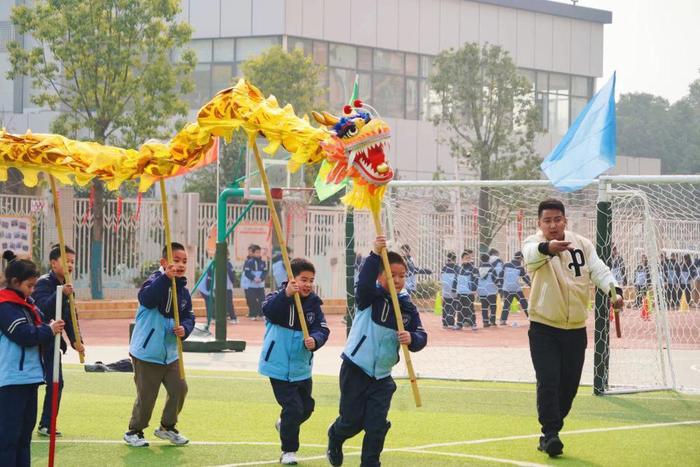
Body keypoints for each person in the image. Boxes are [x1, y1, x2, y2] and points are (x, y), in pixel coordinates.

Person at [523, 199, 623, 458]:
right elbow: (530, 256)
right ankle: (552, 433)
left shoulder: (582, 244)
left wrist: (615, 292)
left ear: (565, 220)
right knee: (548, 380)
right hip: (543, 327)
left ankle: (551, 430)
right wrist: (548, 248)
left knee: (569, 386)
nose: (553, 225)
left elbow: (600, 271)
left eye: (557, 219)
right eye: (547, 221)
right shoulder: (534, 244)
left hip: (576, 329)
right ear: (539, 224)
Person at [327, 236, 427, 467]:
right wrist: (374, 254)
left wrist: (412, 338)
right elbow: (362, 283)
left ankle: (370, 463)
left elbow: (421, 336)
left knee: (376, 424)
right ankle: (336, 435)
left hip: (382, 377)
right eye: (392, 275)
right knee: (351, 422)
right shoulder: (369, 298)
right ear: (380, 276)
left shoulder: (407, 308)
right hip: (355, 369)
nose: (398, 280)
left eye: (402, 275)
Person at [124, 242, 196, 448]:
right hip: (148, 353)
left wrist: (185, 328)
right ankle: (134, 430)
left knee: (179, 389)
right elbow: (147, 299)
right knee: (147, 396)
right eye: (176, 260)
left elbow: (189, 316)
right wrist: (166, 278)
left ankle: (167, 427)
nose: (180, 265)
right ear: (164, 263)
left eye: (184, 261)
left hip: (171, 353)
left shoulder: (183, 291)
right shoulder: (154, 282)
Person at [259, 258, 330, 465]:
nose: (308, 284)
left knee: (306, 407)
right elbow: (269, 311)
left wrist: (315, 340)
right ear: (292, 279)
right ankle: (288, 451)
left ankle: (284, 423)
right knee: (293, 408)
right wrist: (287, 294)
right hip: (278, 367)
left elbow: (323, 329)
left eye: (311, 280)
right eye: (303, 279)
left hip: (302, 368)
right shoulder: (276, 298)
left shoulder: (314, 304)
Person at [0, 250, 64, 467]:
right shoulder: (5, 306)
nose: (33, 290)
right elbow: (24, 335)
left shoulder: (28, 304)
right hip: (11, 380)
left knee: (24, 438)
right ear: (15, 282)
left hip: (29, 378)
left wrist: (55, 334)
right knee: (8, 438)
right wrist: (49, 330)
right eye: (29, 286)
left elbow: (40, 326)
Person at [32, 245, 85, 436]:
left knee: (56, 382)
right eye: (66, 260)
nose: (70, 264)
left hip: (54, 343)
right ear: (53, 263)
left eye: (72, 261)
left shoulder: (67, 287)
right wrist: (60, 292)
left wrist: (76, 340)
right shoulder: (44, 283)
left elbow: (70, 316)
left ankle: (46, 424)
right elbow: (42, 309)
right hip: (38, 340)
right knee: (33, 382)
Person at [500, 251, 531, 325]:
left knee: (506, 304)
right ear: (520, 258)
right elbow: (525, 278)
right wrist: (531, 285)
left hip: (507, 288)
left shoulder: (506, 264)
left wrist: (502, 286)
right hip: (516, 288)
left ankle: (503, 320)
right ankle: (531, 319)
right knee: (524, 303)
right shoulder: (520, 267)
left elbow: (500, 275)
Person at [242, 244, 268, 320]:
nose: (258, 254)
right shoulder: (249, 262)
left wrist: (261, 278)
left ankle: (261, 314)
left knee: (262, 300)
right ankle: (253, 314)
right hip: (251, 285)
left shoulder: (263, 262)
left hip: (260, 285)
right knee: (252, 300)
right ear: (253, 253)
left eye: (259, 252)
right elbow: (247, 273)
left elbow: (265, 272)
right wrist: (254, 278)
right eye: (256, 252)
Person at [455, 249, 478, 330]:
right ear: (462, 259)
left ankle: (473, 324)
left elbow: (475, 280)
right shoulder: (459, 269)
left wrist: (474, 290)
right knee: (460, 308)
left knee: (470, 308)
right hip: (460, 292)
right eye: (466, 258)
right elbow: (455, 280)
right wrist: (454, 290)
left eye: (469, 258)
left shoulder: (473, 268)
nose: (467, 259)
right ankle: (459, 324)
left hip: (469, 292)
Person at [477, 253, 499, 327]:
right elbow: (496, 280)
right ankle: (492, 321)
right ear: (488, 259)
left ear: (481, 260)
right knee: (493, 306)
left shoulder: (478, 269)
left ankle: (485, 322)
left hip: (481, 291)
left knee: (484, 307)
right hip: (491, 290)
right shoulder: (492, 269)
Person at [440, 252, 459, 329]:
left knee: (445, 306)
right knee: (453, 306)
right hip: (453, 290)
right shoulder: (457, 268)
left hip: (445, 290)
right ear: (454, 259)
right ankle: (451, 322)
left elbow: (442, 279)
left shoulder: (444, 268)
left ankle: (444, 323)